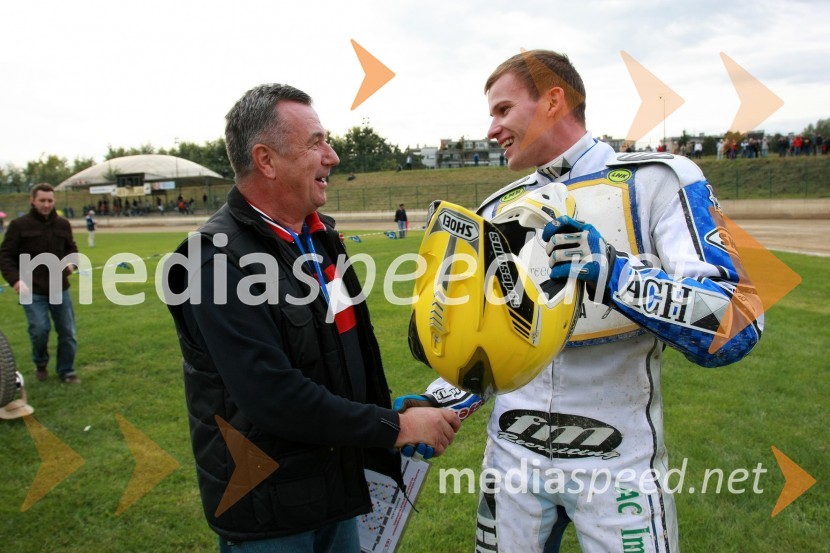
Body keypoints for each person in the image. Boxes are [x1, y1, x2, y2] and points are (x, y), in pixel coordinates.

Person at [398, 50, 762, 552]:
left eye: (502, 110)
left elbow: (737, 323)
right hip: (510, 465)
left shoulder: (659, 179)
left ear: (553, 100)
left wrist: (615, 275)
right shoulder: (494, 209)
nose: (491, 129)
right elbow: (486, 343)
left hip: (619, 467)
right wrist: (437, 400)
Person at [163, 83, 460, 553]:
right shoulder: (216, 261)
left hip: (334, 494)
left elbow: (337, 358)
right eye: (316, 142)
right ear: (266, 160)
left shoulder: (320, 240)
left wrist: (388, 413)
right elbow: (273, 396)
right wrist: (394, 428)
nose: (333, 156)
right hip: (272, 515)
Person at [0, 183, 81, 384]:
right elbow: (5, 256)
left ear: (54, 201)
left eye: (50, 201)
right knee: (39, 330)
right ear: (33, 201)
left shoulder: (63, 224)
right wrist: (16, 280)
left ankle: (67, 371)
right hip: (31, 290)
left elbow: (72, 249)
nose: (46, 205)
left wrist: (72, 263)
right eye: (42, 200)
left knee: (68, 332)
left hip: (59, 288)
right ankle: (41, 363)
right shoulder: (19, 225)